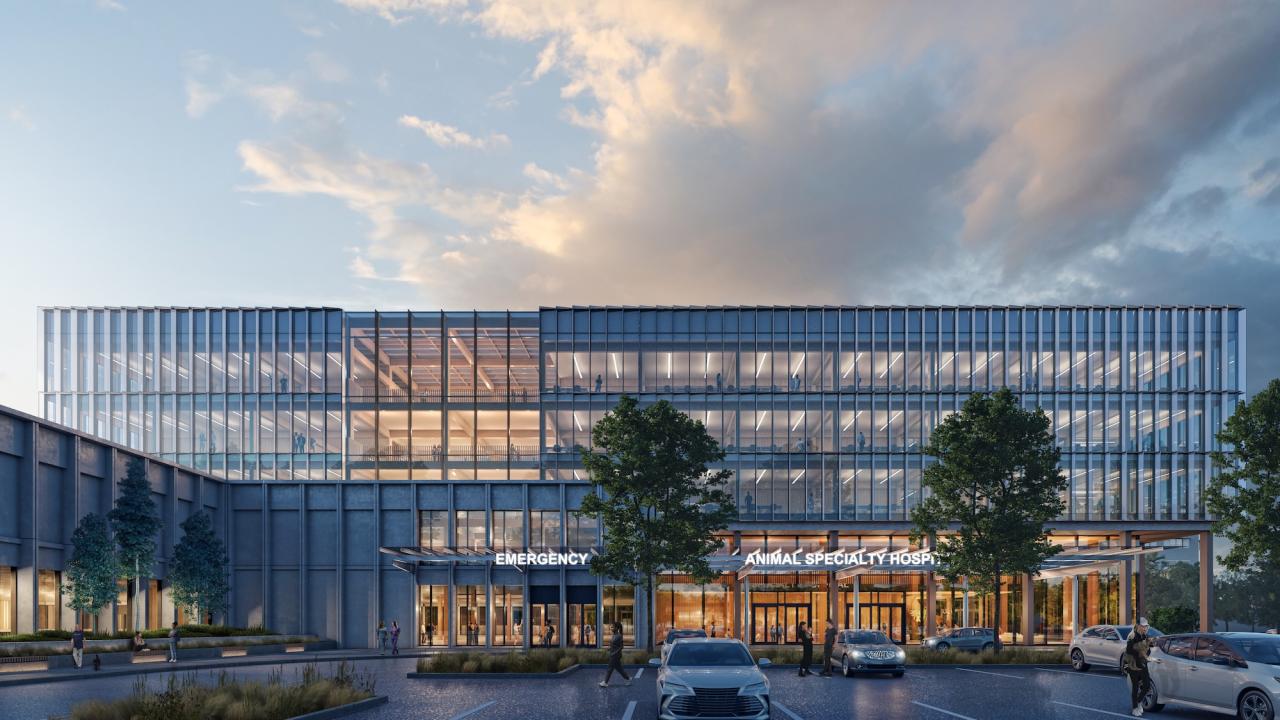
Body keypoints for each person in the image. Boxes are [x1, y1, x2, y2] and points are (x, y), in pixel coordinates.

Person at [1123, 617, 1153, 717]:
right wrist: (1140, 653)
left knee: (1147, 685)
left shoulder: (1145, 636)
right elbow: (1129, 650)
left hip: (1142, 663)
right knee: (1135, 687)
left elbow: (1147, 650)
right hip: (1133, 664)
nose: (1144, 628)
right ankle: (1135, 708)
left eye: (1146, 626)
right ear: (1138, 626)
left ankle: (1139, 701)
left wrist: (1148, 648)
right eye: (1143, 626)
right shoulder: (1132, 636)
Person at [598, 622, 632, 688]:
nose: (611, 628)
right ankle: (628, 679)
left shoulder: (619, 636)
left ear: (617, 628)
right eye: (611, 627)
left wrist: (615, 653)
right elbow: (613, 645)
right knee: (619, 669)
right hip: (613, 654)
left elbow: (621, 647)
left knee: (609, 668)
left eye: (613, 627)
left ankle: (605, 682)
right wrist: (609, 648)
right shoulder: (614, 635)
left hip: (615, 655)